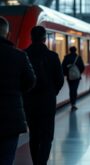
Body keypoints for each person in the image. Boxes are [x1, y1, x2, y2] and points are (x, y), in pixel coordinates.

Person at [23, 26, 64, 165]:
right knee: (47, 135)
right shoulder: (52, 56)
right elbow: (60, 79)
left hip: (29, 102)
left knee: (33, 135)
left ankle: (36, 162)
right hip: (47, 101)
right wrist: (52, 92)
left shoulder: (23, 54)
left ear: (31, 37)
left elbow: (21, 79)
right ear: (44, 39)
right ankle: (41, 162)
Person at [0, 17, 36, 165]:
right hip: (11, 117)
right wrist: (16, 91)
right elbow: (31, 81)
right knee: (6, 159)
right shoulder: (19, 56)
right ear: (8, 35)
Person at [62, 46, 85, 110]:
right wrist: (79, 73)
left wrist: (66, 73)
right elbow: (82, 67)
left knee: (71, 89)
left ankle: (72, 103)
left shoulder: (66, 57)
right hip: (77, 77)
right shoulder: (78, 57)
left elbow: (63, 66)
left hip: (69, 77)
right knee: (74, 89)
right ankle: (74, 103)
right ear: (75, 50)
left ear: (70, 50)